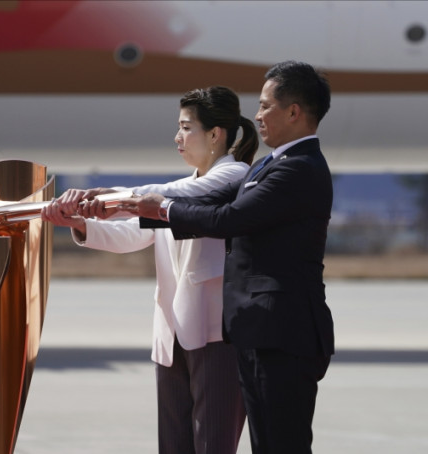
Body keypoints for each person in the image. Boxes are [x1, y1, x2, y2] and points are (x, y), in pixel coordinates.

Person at [111, 61, 335, 454]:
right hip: (258, 330)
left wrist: (161, 208)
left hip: (284, 333)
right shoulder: (269, 165)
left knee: (283, 443)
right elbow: (201, 201)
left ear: (294, 112)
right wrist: (113, 206)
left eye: (266, 106)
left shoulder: (297, 169)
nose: (258, 116)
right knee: (268, 442)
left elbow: (230, 218)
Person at [42, 86, 259, 454]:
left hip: (216, 337)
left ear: (215, 134)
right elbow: (131, 233)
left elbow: (162, 198)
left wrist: (105, 197)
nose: (177, 137)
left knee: (213, 446)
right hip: (172, 336)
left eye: (186, 127)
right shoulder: (184, 189)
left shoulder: (233, 177)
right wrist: (80, 223)